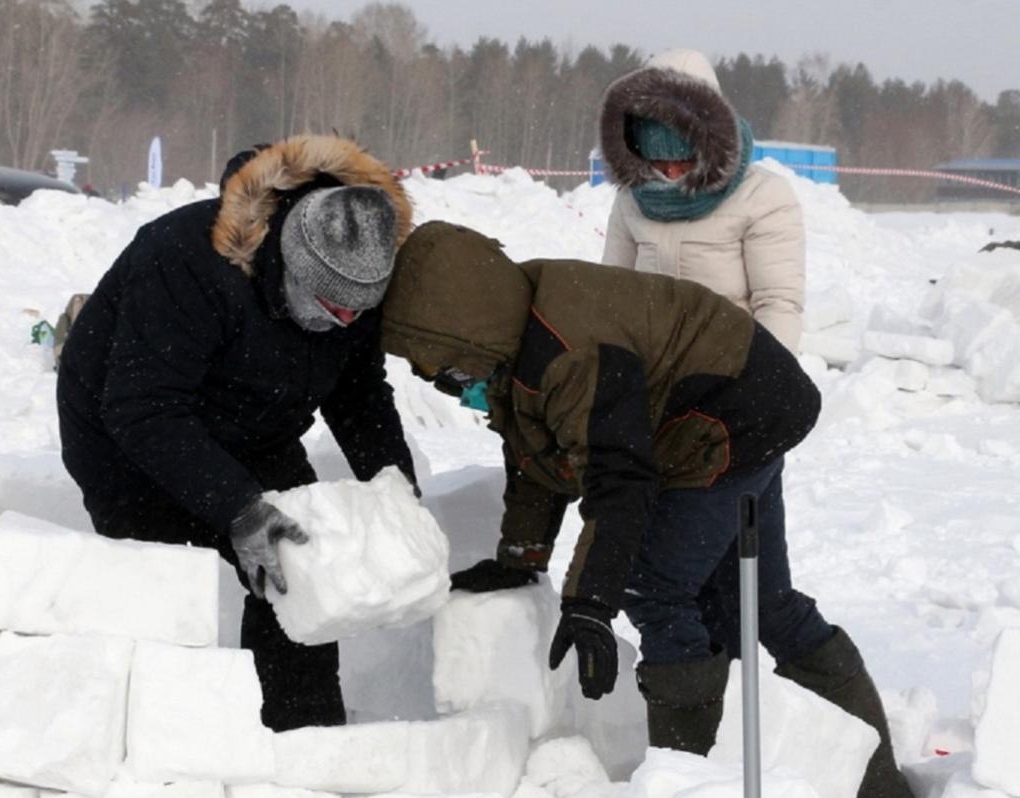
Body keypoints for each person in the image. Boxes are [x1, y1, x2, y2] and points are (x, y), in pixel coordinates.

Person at [380, 220, 911, 797]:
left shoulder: (568, 351)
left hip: (730, 419)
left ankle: (687, 779)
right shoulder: (518, 329)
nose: (456, 391)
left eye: (454, 373)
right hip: (743, 401)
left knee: (656, 589)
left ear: (473, 336)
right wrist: (520, 556)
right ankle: (865, 780)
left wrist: (590, 604)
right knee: (755, 603)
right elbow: (543, 456)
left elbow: (618, 479)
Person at [57, 134, 417, 731]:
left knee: (297, 563)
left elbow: (359, 394)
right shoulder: (185, 260)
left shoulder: (360, 260)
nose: (345, 321)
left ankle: (300, 733)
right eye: (333, 306)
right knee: (167, 583)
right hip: (126, 435)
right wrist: (234, 505)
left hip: (256, 425)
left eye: (359, 310)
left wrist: (392, 481)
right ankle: (166, 745)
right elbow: (142, 407)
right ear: (293, 262)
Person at [598, 48, 805, 353]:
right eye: (657, 160)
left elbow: (777, 303)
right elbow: (614, 295)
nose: (669, 173)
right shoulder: (632, 198)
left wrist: (760, 380)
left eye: (683, 161)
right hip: (651, 366)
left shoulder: (763, 196)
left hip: (730, 365)